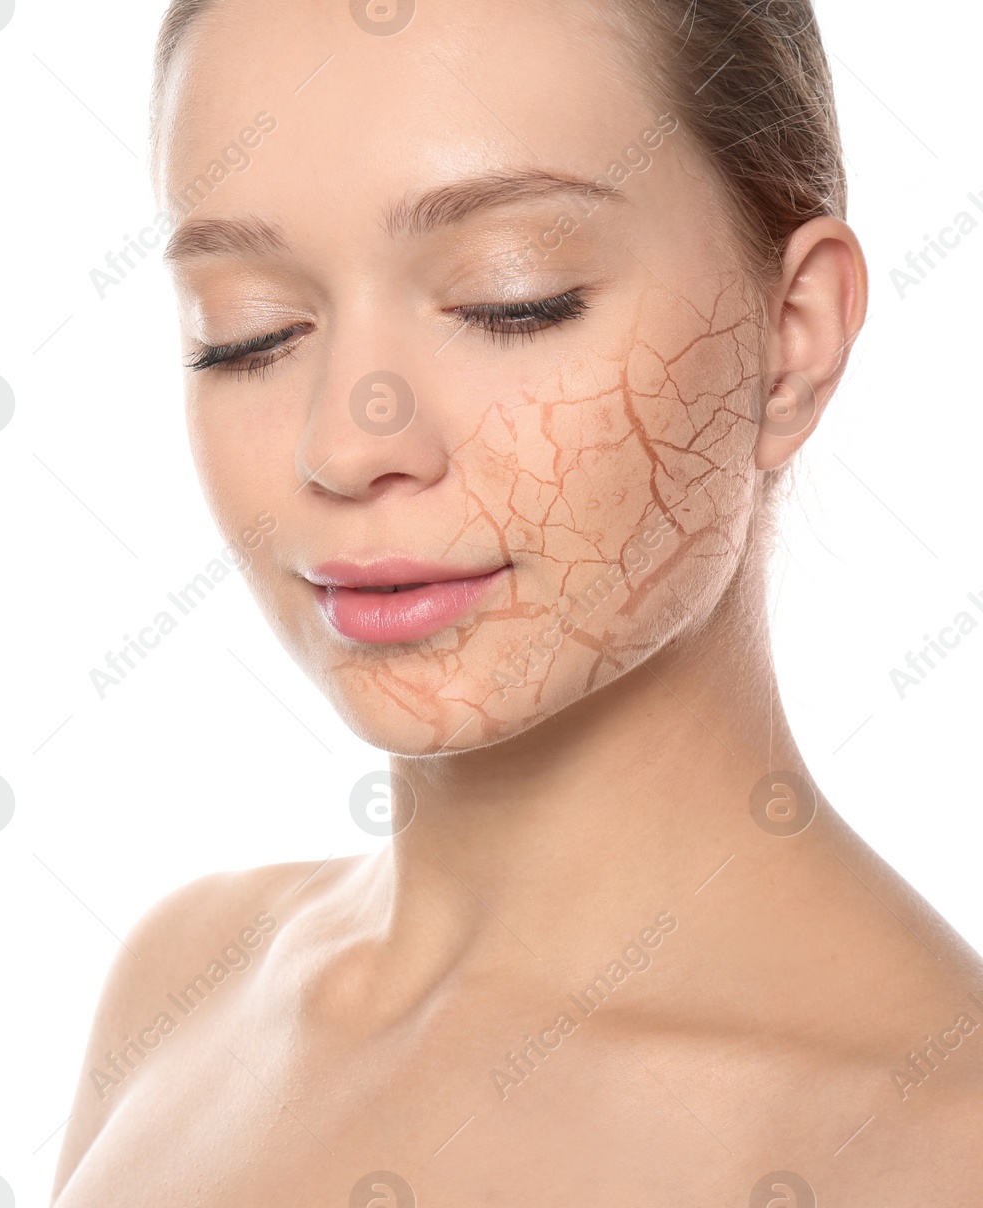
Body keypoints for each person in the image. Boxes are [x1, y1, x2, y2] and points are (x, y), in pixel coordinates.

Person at [52, 1, 983, 1202]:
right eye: (249, 334)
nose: (346, 444)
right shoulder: (182, 983)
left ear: (791, 340)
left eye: (512, 299)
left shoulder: (926, 1146)